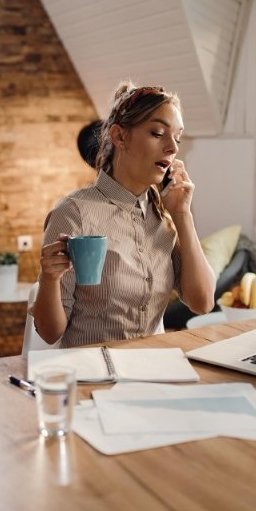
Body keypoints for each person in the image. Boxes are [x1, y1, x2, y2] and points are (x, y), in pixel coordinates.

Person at [33, 82, 216, 347]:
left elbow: (203, 302)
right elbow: (50, 333)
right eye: (157, 133)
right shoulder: (73, 213)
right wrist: (49, 279)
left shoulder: (164, 215)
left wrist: (182, 214)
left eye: (177, 138)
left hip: (152, 364)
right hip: (94, 367)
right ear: (120, 137)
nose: (172, 148)